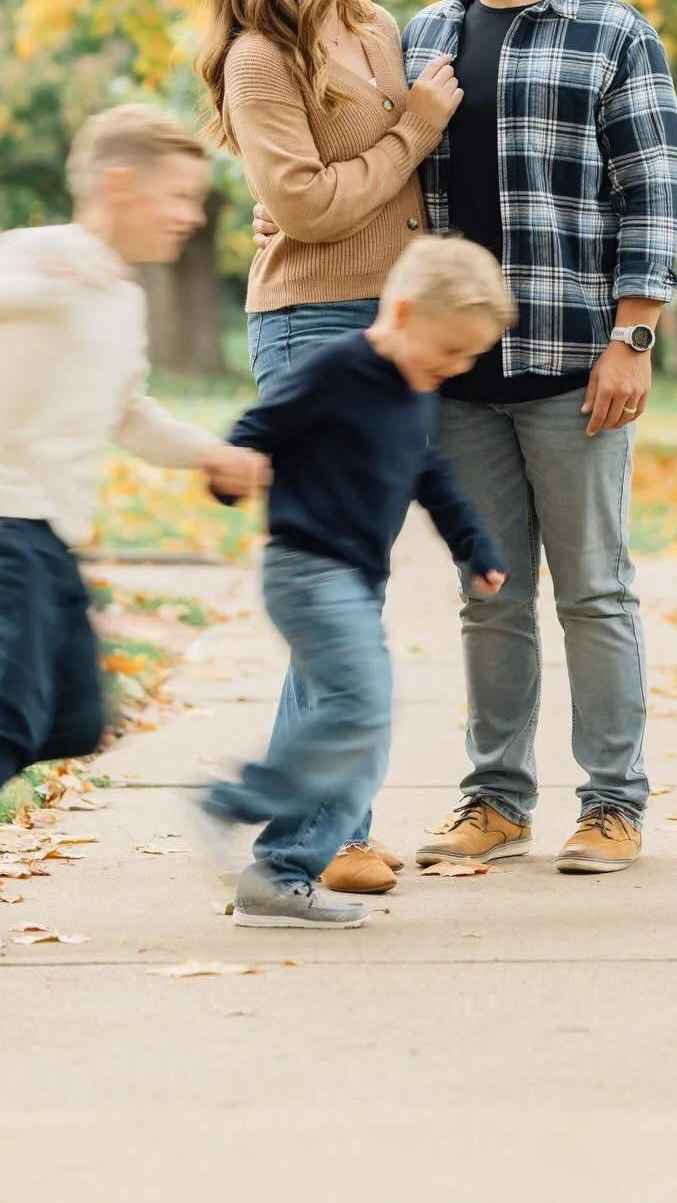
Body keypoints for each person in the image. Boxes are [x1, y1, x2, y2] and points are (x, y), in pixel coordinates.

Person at [256, 0, 677, 875]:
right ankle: (495, 798)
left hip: (577, 365)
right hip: (454, 375)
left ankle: (613, 803)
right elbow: (367, 160)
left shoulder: (613, 32)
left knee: (595, 589)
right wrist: (281, 215)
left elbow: (656, 201)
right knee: (488, 592)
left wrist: (633, 338)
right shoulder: (423, 40)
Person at [0, 106, 268, 957]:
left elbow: (129, 413)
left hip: (51, 533)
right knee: (13, 714)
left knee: (72, 722)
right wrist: (36, 281)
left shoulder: (120, 297)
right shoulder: (45, 252)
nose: (190, 214)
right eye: (177, 196)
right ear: (119, 185)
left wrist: (216, 455)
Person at [196, 0, 464, 895]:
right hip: (313, 326)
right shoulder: (260, 56)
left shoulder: (377, 25)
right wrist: (413, 128)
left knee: (361, 584)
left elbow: (356, 188)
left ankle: (336, 822)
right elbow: (307, 206)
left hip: (392, 325)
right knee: (339, 589)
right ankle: (301, 838)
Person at [194, 236, 512, 930]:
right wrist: (229, 474)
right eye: (447, 351)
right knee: (362, 707)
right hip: (306, 569)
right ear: (400, 313)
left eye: (468, 358)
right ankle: (240, 806)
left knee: (361, 727)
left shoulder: (412, 387)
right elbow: (255, 428)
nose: (454, 369)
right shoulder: (334, 369)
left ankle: (281, 879)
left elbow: (432, 478)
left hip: (353, 579)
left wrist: (475, 547)